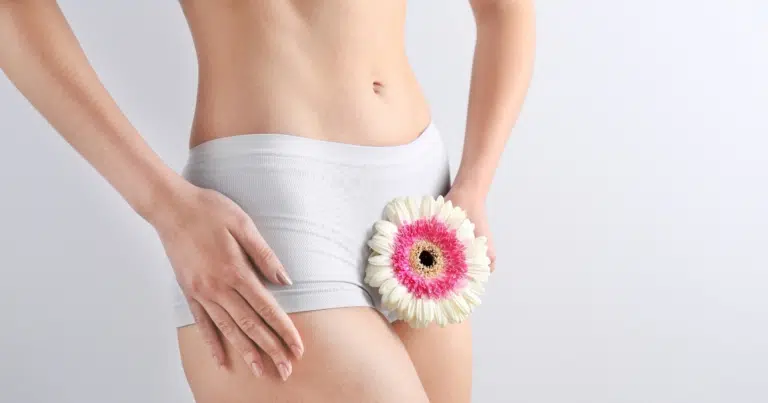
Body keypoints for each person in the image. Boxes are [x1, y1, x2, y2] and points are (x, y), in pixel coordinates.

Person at [0, 0, 535, 402]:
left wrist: (475, 182)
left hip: (425, 201)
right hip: (272, 207)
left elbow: (504, 13)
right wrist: (161, 204)